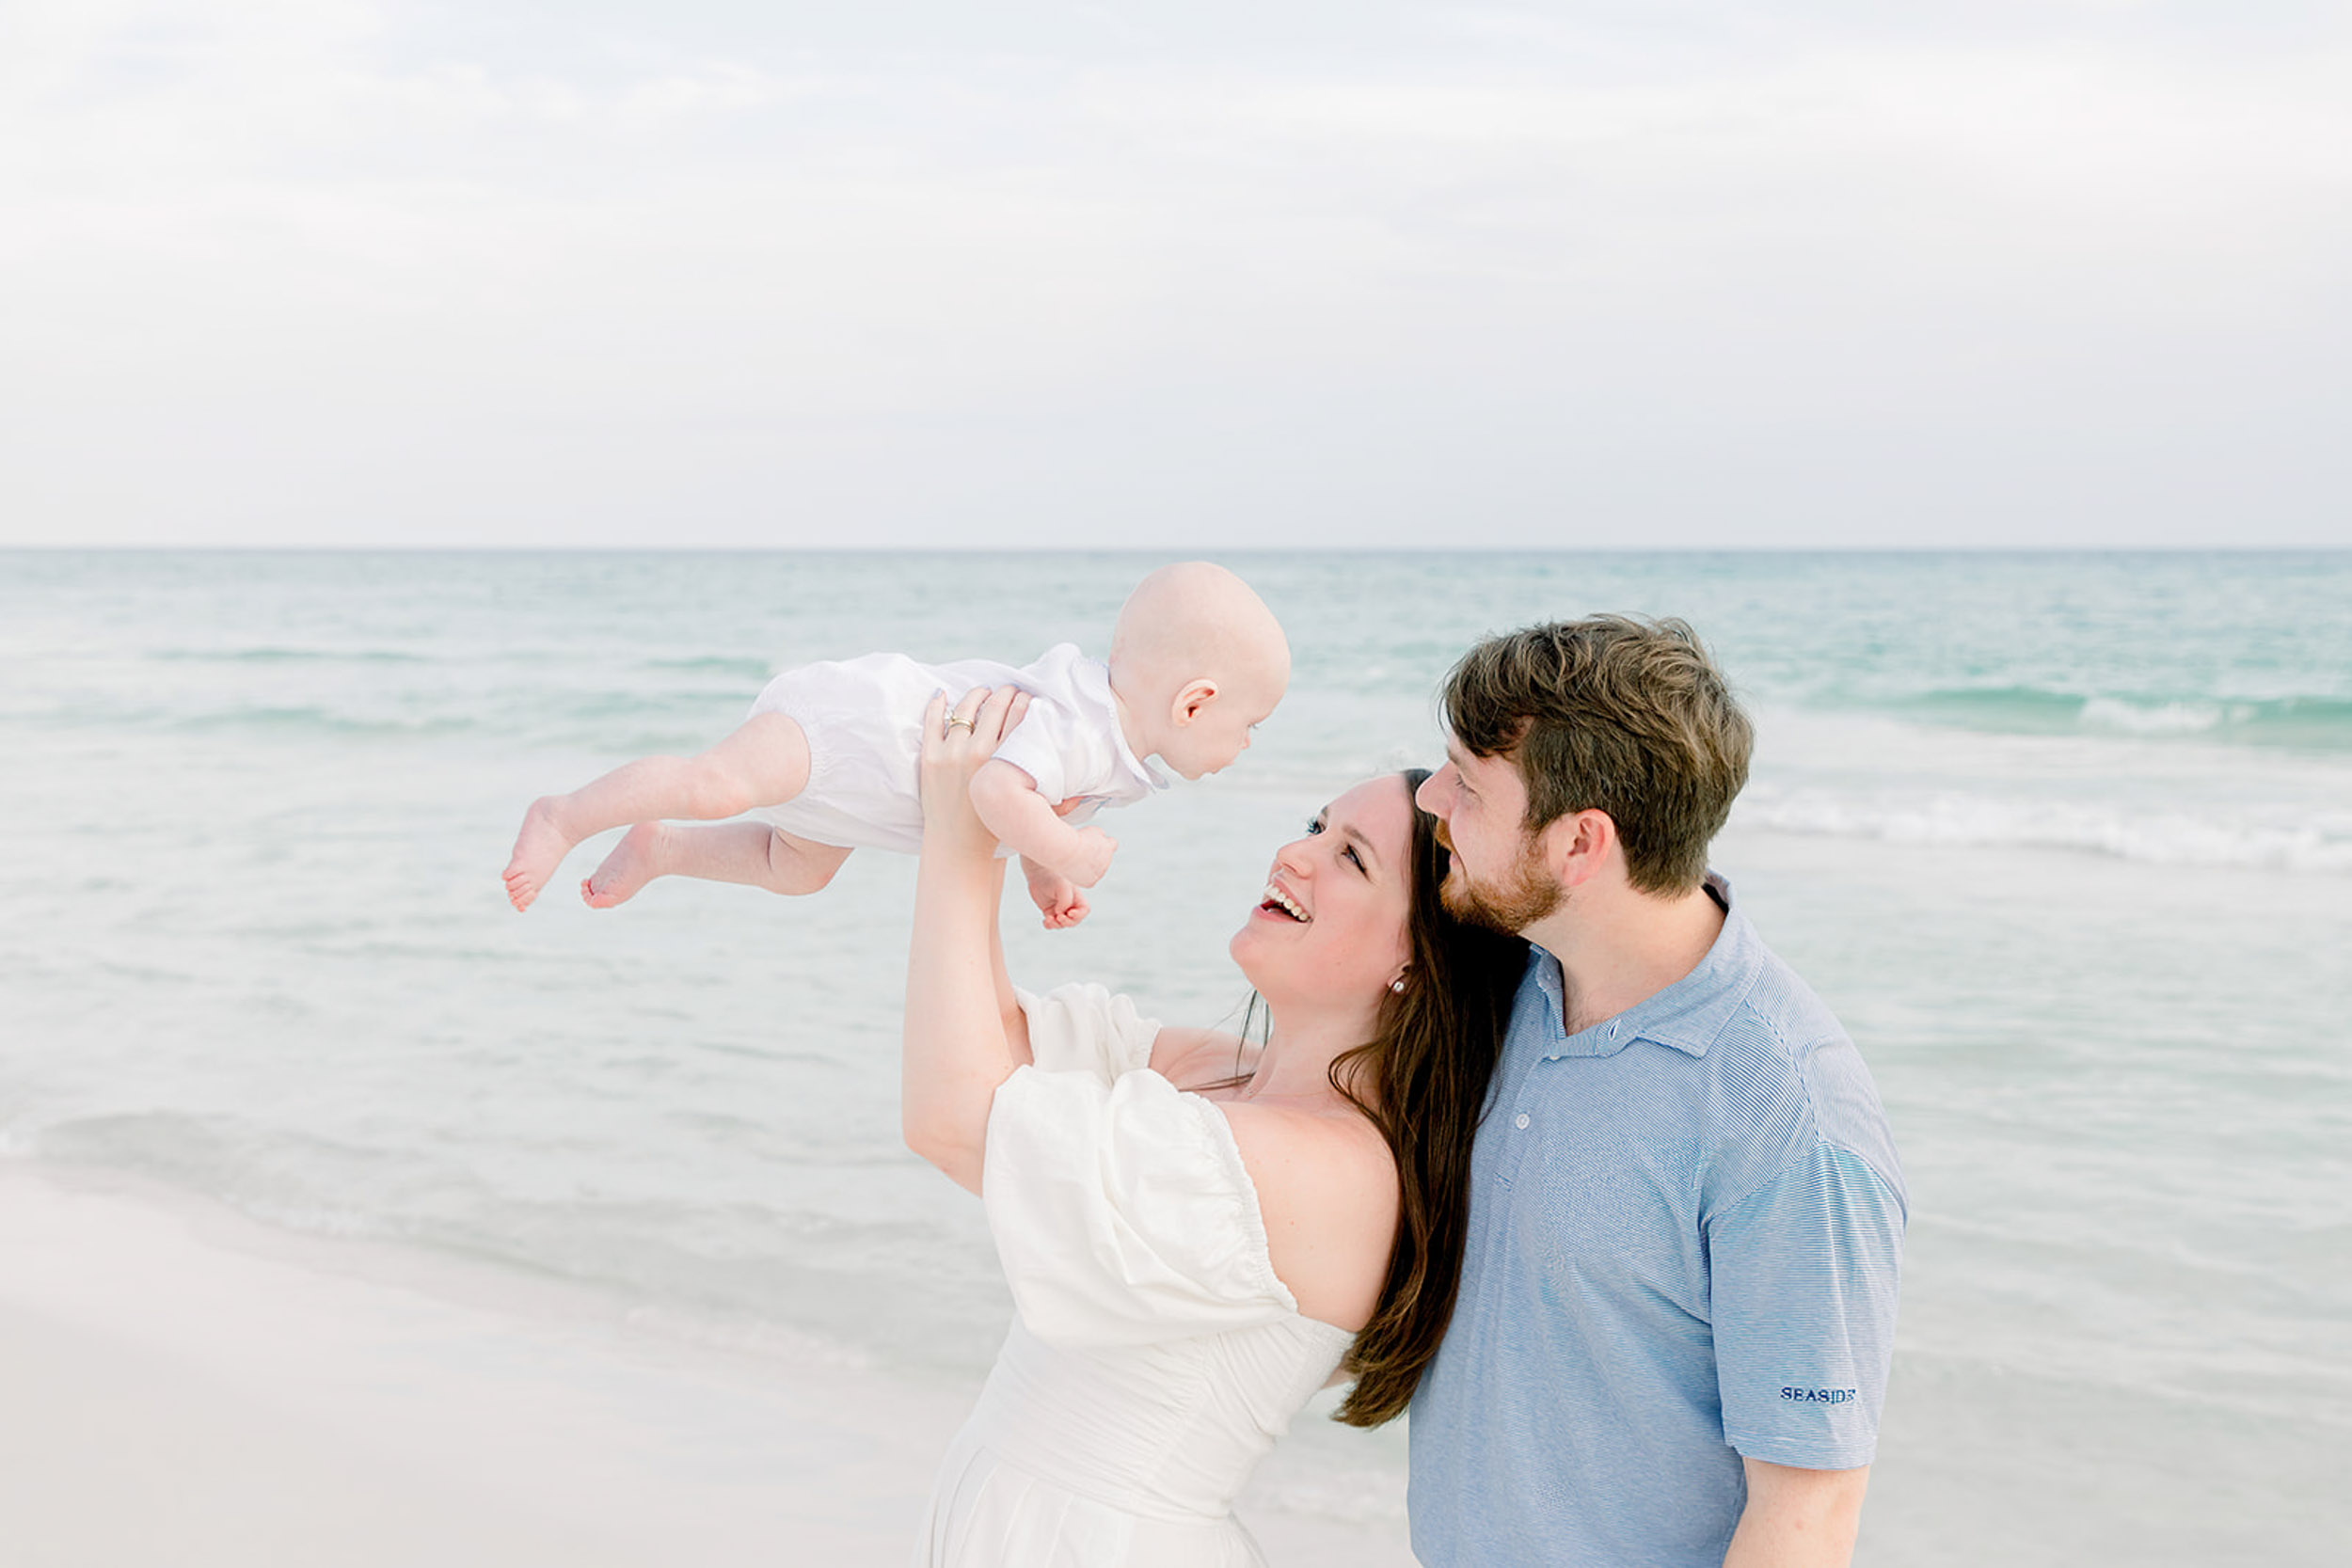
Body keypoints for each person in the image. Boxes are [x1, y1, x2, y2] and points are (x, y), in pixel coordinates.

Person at [900, 684, 1524, 1566]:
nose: (1294, 853)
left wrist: (963, 839)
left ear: (1418, 964)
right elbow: (986, 1046)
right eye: (1316, 823)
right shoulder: (1228, 1076)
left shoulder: (1334, 1168)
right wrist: (1002, 824)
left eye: (1350, 857)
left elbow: (955, 1117)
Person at [1406, 616, 1908, 1568]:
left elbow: (1806, 1516)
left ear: (1578, 845)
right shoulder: (1516, 983)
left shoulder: (1790, 1115)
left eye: (1466, 784)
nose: (1432, 800)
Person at [500, 562, 1289, 927]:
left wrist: (1042, 873)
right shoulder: (1088, 721)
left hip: (862, 798)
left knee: (794, 869)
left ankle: (662, 849)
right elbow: (996, 792)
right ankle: (565, 815)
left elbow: (1027, 793)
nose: (1247, 745)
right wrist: (1072, 854)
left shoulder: (1105, 747)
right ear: (1195, 702)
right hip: (851, 727)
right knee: (719, 784)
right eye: (1249, 726)